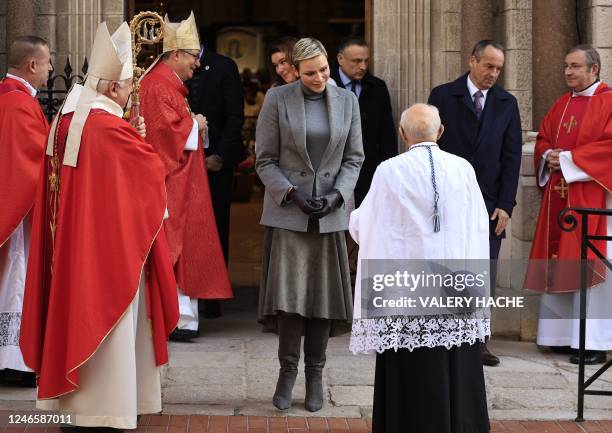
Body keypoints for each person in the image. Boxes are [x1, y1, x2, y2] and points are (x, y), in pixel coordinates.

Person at [19, 22, 179, 430]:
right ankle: (107, 409)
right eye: (127, 88)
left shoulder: (68, 117)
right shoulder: (108, 127)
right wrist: (140, 144)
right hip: (107, 254)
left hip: (70, 247)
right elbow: (149, 175)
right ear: (111, 88)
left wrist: (133, 136)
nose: (130, 96)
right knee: (108, 330)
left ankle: (71, 407)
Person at [349, 103, 490, 433]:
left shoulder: (389, 170)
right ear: (440, 132)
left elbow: (365, 224)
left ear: (402, 134)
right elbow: (480, 223)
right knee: (456, 359)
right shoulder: (463, 168)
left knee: (409, 366)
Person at [255, 37, 364, 412]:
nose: (319, 78)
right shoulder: (277, 99)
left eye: (323, 71)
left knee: (323, 300)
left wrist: (337, 197)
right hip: (289, 213)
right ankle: (287, 372)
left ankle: (315, 374)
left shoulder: (348, 102)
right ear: (294, 70)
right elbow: (264, 160)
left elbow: (354, 158)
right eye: (310, 73)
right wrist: (292, 194)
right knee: (290, 300)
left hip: (330, 215)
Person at [428, 39, 522, 367]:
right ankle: (444, 335)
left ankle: (478, 342)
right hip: (449, 203)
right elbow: (430, 150)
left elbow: (511, 159)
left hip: (490, 205)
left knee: (483, 274)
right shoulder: (442, 96)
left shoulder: (507, 103)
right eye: (489, 66)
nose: (493, 73)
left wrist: (506, 206)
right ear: (472, 61)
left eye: (498, 68)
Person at [140, 12, 233, 341]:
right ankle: (176, 318)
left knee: (187, 248)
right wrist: (197, 124)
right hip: (173, 185)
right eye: (193, 57)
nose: (197, 64)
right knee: (173, 248)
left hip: (185, 183)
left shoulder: (170, 86)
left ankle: (183, 317)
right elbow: (163, 135)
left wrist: (195, 124)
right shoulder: (156, 85)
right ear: (175, 54)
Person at [524, 45, 612, 365]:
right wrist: (547, 156)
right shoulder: (562, 104)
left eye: (575, 67)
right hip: (560, 199)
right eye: (565, 66)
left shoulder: (609, 102)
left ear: (594, 69)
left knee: (592, 264)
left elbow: (609, 150)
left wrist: (571, 160)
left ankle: (594, 341)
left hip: (593, 200)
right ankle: (559, 336)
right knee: (558, 261)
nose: (567, 72)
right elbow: (545, 138)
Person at [0, 35, 52, 387]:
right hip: (19, 217)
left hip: (15, 207)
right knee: (18, 278)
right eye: (47, 63)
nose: (50, 69)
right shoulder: (17, 103)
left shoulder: (9, 96)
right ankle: (16, 360)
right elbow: (34, 155)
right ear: (32, 65)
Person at [187, 39, 244, 319]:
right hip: (184, 162)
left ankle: (213, 295)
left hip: (215, 162)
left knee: (217, 224)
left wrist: (220, 155)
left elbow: (235, 116)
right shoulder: (165, 67)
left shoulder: (223, 66)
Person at [330, 36, 397, 206]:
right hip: (332, 171)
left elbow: (387, 134)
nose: (363, 66)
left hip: (368, 171)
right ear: (340, 59)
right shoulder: (325, 84)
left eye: (366, 61)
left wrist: (387, 173)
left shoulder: (378, 87)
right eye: (357, 61)